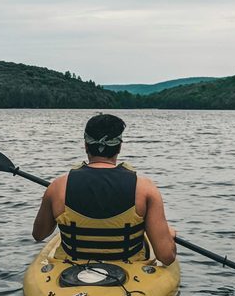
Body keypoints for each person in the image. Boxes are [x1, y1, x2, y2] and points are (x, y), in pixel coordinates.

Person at [32, 113, 177, 265]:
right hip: (131, 273)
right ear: (119, 147)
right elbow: (166, 256)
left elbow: (39, 234)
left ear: (86, 145)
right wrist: (168, 236)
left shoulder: (57, 187)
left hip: (69, 271)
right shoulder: (145, 189)